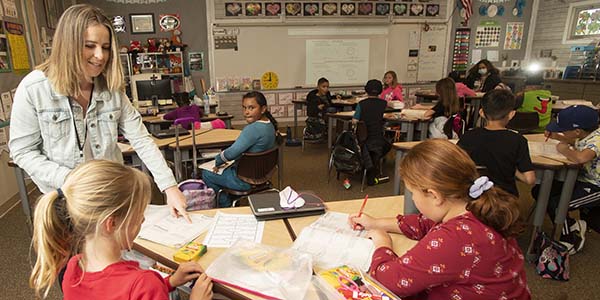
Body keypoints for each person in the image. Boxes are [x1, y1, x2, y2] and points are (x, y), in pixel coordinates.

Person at [8, 4, 190, 221]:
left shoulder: (111, 88)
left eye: (105, 47)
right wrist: (72, 179)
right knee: (74, 255)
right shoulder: (34, 88)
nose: (100, 56)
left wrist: (169, 187)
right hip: (63, 200)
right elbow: (22, 151)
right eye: (90, 46)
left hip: (110, 196)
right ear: (68, 45)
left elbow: (141, 139)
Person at [349, 139, 530, 299]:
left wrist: (383, 243)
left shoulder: (454, 239)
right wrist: (374, 223)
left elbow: (386, 281)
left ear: (434, 196)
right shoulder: (474, 207)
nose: (412, 198)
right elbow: (422, 223)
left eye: (412, 193)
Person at [29, 160, 213, 299]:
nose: (142, 219)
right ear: (112, 224)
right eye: (139, 214)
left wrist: (169, 282)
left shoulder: (73, 269)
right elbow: (141, 291)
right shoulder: (143, 284)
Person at [534, 105, 600, 254]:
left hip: (596, 187)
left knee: (558, 205)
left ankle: (569, 238)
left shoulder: (597, 140)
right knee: (540, 191)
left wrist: (563, 149)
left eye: (562, 129)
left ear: (577, 131)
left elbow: (582, 157)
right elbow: (576, 142)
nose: (560, 131)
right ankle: (573, 224)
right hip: (582, 180)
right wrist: (558, 137)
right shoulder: (585, 135)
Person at [202, 91, 277, 207]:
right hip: (262, 176)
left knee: (206, 173)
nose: (246, 112)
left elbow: (231, 153)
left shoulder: (252, 129)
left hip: (244, 181)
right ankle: (231, 199)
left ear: (263, 109)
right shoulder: (270, 125)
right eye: (244, 108)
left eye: (251, 108)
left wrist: (217, 161)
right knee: (228, 166)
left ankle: (226, 204)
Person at [458, 89, 536, 196]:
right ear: (512, 114)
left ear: (481, 113)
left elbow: (456, 165)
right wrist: (514, 170)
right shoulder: (518, 140)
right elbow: (530, 179)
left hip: (473, 197)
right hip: (505, 200)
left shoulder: (468, 136)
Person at [352, 79, 390, 185]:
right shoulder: (384, 103)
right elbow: (384, 117)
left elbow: (355, 121)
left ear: (366, 90)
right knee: (388, 144)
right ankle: (376, 162)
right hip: (378, 139)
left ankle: (370, 162)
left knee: (370, 147)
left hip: (363, 140)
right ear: (380, 91)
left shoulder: (361, 104)